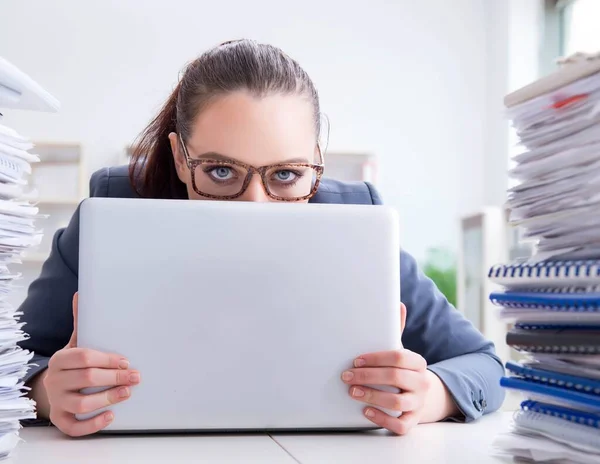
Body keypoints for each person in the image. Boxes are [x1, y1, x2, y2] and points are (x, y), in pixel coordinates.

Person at [19, 39, 505, 438]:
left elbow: (484, 365)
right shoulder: (111, 210)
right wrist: (45, 389)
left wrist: (430, 394)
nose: (256, 207)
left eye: (287, 175)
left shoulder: (358, 219)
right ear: (180, 157)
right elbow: (12, 363)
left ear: (317, 158)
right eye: (221, 170)